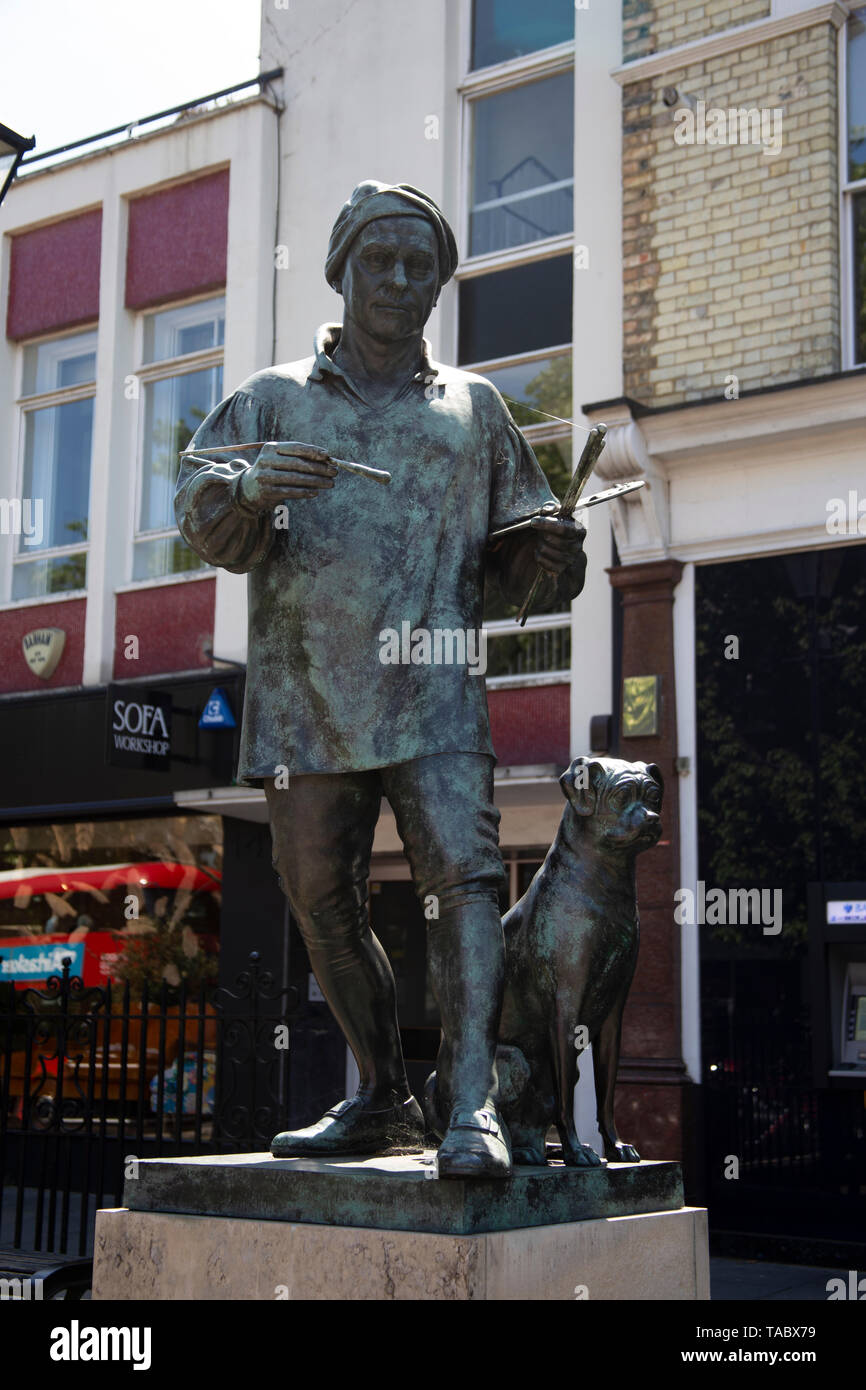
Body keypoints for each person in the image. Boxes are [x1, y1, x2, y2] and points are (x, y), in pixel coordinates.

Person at [175, 181, 586, 1178]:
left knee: (467, 878)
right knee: (318, 895)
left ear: (439, 285)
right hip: (307, 693)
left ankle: (471, 1105)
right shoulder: (272, 399)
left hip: (438, 681)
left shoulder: (474, 410)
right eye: (381, 261)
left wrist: (548, 556)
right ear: (342, 270)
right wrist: (245, 483)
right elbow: (202, 517)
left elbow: (526, 563)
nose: (400, 282)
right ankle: (377, 1095)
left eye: (420, 266)